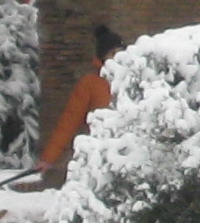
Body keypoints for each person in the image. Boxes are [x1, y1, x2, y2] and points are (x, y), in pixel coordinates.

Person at [9, 22, 122, 190]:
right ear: (103, 57)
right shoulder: (90, 84)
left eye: (121, 54)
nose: (117, 59)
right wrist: (48, 159)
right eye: (113, 54)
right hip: (101, 155)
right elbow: (68, 123)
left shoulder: (133, 81)